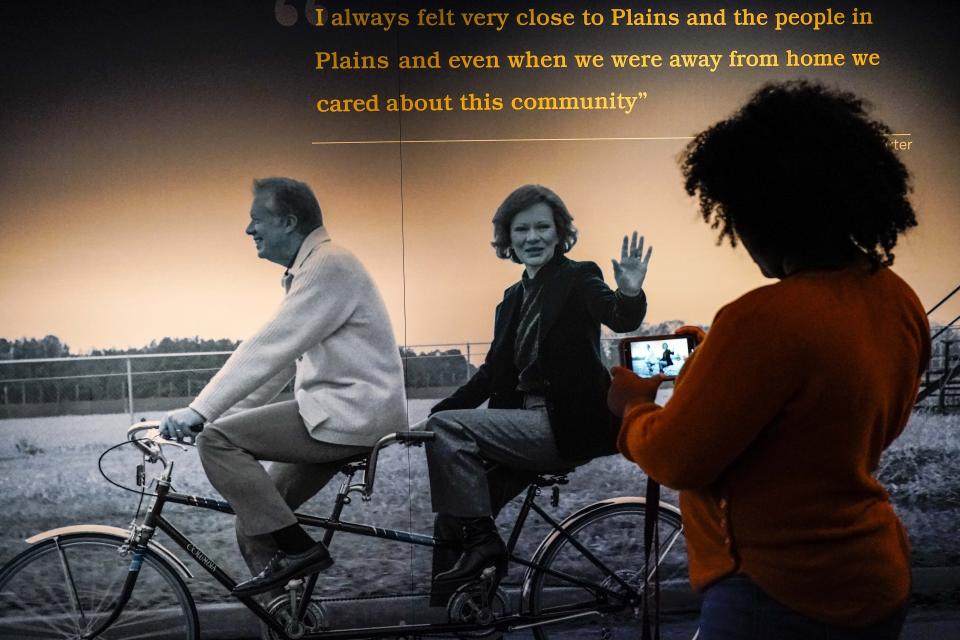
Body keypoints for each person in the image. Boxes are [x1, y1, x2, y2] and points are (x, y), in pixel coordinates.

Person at [608, 81, 930, 639]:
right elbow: (843, 415)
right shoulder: (898, 299)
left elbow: (675, 458)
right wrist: (717, 360)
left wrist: (634, 407)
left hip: (774, 593)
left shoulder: (761, 318)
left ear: (758, 213)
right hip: (875, 577)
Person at [159, 177, 406, 596]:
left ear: (289, 222)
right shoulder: (315, 267)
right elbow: (277, 367)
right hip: (340, 413)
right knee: (256, 522)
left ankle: (299, 550)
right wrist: (214, 413)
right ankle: (287, 621)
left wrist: (202, 415)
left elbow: (267, 346)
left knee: (218, 442)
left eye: (257, 219)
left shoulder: (330, 264)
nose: (248, 229)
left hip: (350, 413)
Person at [420, 184, 652, 602]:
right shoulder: (510, 300)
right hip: (519, 428)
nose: (532, 238)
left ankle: (485, 548)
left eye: (542, 227)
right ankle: (459, 615)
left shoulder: (580, 276)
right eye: (521, 229)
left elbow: (617, 315)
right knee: (454, 511)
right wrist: (432, 418)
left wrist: (630, 292)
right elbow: (490, 376)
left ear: (559, 232)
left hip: (561, 425)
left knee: (452, 446)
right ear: (507, 239)